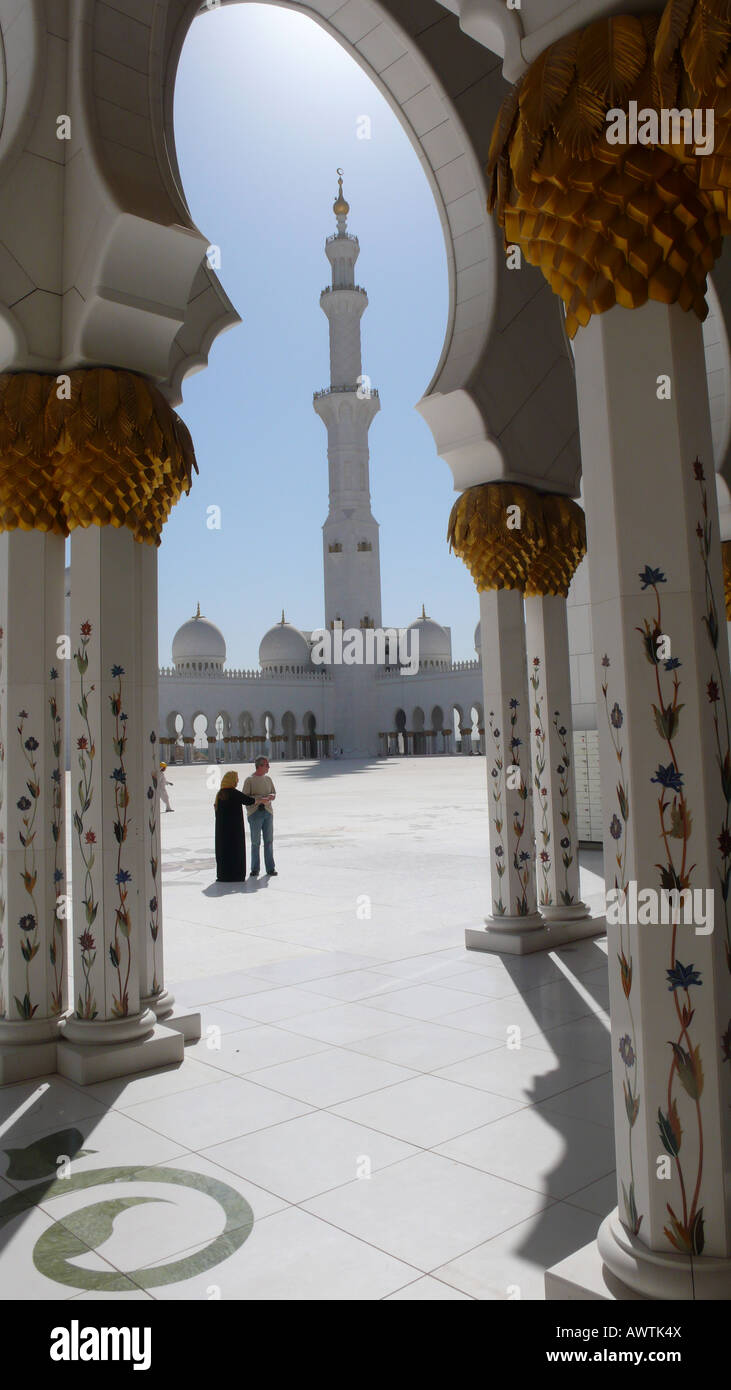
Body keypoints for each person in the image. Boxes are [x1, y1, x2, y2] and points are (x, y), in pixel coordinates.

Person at [214, 771, 256, 882]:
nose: (237, 781)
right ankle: (236, 875)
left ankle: (223, 875)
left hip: (222, 831)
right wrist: (261, 799)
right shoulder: (234, 793)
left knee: (224, 852)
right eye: (236, 779)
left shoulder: (220, 794)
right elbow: (249, 801)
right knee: (236, 852)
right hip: (235, 830)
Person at [243, 756, 277, 877]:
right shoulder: (249, 780)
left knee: (269, 841)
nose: (268, 767)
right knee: (255, 842)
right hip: (255, 813)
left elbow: (273, 792)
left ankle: (270, 868)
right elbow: (245, 799)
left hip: (268, 812)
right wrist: (259, 800)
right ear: (260, 766)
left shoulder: (268, 779)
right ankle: (255, 868)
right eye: (266, 765)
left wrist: (271, 796)